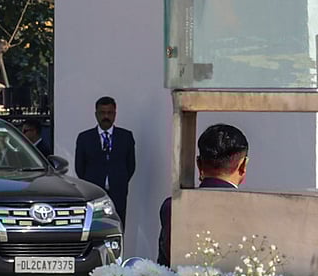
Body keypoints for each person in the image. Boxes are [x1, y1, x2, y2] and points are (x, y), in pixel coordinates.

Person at [158, 123, 248, 266]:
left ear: (199, 164)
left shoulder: (172, 207)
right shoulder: (250, 210)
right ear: (243, 166)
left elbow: (165, 267)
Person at [74, 96, 136, 221]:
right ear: (96, 114)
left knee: (118, 224)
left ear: (115, 114)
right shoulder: (85, 138)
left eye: (109, 113)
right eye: (102, 113)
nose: (106, 116)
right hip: (93, 192)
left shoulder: (126, 136)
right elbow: (79, 167)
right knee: (94, 224)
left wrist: (119, 179)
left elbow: (131, 165)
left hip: (118, 191)